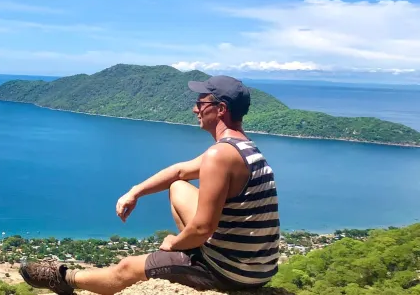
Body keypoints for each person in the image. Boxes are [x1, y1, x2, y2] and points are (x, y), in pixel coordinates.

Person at [19, 75, 280, 294]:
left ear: (221, 109)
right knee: (178, 185)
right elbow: (179, 171)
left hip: (231, 273)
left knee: (127, 267)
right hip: (258, 267)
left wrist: (174, 243)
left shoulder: (219, 156)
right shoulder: (243, 148)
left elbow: (202, 227)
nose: (195, 109)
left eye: (201, 103)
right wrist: (135, 192)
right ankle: (194, 254)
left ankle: (65, 279)